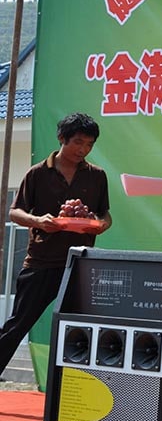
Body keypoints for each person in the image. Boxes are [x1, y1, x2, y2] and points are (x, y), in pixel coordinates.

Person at [0, 112, 111, 376]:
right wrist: (38, 221)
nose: (83, 150)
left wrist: (99, 225)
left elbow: (105, 215)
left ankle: (73, 388)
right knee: (18, 324)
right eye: (78, 142)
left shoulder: (97, 175)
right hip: (42, 263)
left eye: (89, 145)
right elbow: (15, 212)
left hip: (80, 264)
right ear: (62, 138)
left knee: (80, 332)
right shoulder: (38, 173)